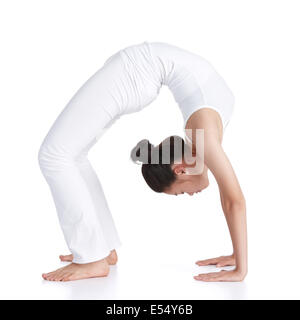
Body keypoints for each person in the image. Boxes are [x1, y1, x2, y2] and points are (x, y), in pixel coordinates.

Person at [38, 41, 247, 282]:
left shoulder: (203, 139)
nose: (188, 195)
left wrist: (237, 257)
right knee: (56, 155)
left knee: (66, 154)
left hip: (136, 71)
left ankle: (97, 250)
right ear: (180, 170)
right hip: (134, 71)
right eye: (180, 193)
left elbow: (230, 196)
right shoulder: (204, 138)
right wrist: (240, 270)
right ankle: (95, 255)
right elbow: (234, 200)